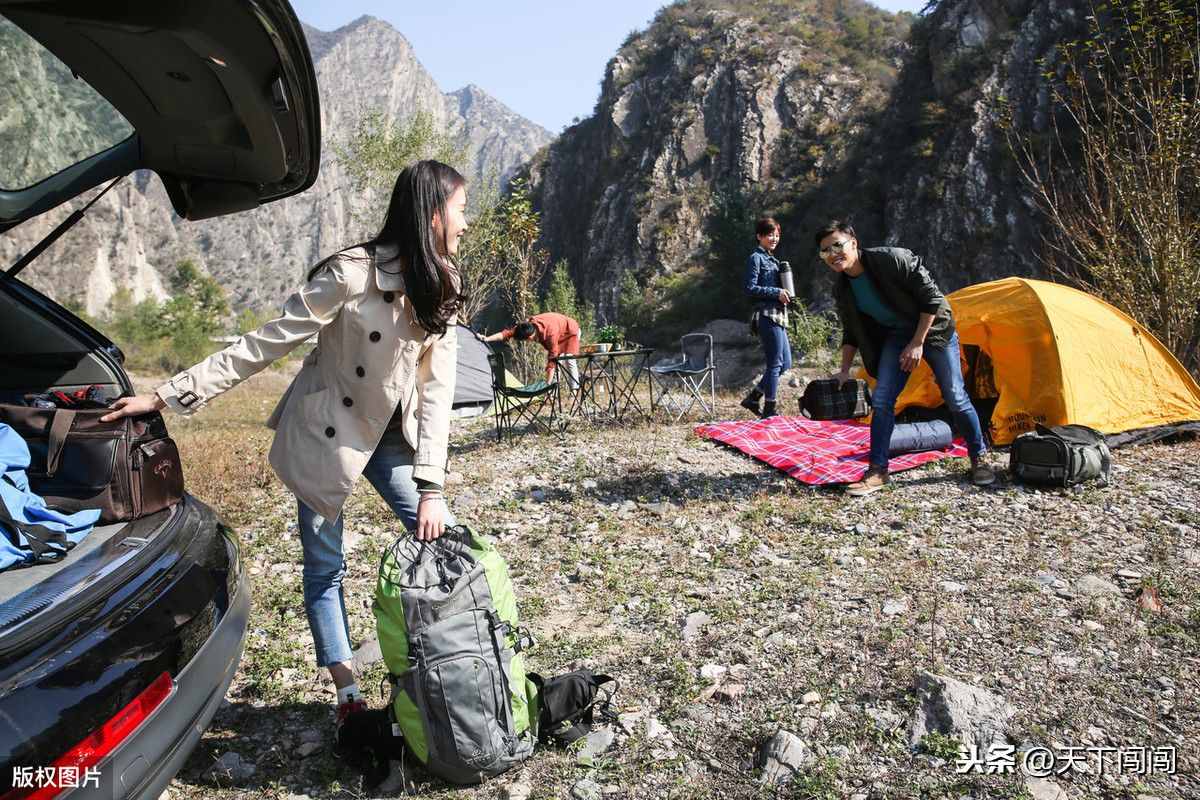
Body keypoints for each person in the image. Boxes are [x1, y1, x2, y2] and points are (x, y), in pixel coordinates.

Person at [101, 160, 468, 729]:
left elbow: (437, 390)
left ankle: (448, 671)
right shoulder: (351, 274)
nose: (466, 224)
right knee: (326, 568)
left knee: (447, 547)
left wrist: (432, 485)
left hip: (396, 439)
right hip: (330, 434)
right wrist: (170, 395)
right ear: (432, 212)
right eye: (461, 210)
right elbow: (265, 342)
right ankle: (347, 693)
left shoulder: (442, 280)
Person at [815, 219, 995, 496]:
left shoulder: (893, 259)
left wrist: (917, 343)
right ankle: (877, 471)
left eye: (837, 245)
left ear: (854, 242)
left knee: (955, 395)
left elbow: (931, 298)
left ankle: (978, 456)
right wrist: (844, 370)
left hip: (934, 330)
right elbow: (851, 331)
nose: (833, 254)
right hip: (897, 335)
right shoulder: (843, 289)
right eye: (825, 251)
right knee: (883, 399)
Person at [740, 217, 792, 418]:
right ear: (759, 236)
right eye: (770, 234)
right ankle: (770, 409)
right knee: (775, 364)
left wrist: (785, 295)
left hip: (779, 315)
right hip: (766, 315)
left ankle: (754, 396)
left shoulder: (774, 260)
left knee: (785, 363)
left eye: (777, 235)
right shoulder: (756, 258)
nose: (774, 238)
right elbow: (749, 288)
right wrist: (776, 291)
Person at [483, 312, 581, 387]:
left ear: (529, 338)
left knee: (568, 360)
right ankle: (553, 393)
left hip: (570, 331)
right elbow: (506, 334)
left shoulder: (550, 334)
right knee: (557, 366)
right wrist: (487, 339)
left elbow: (552, 360)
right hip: (558, 328)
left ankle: (574, 391)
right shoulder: (526, 327)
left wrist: (546, 385)